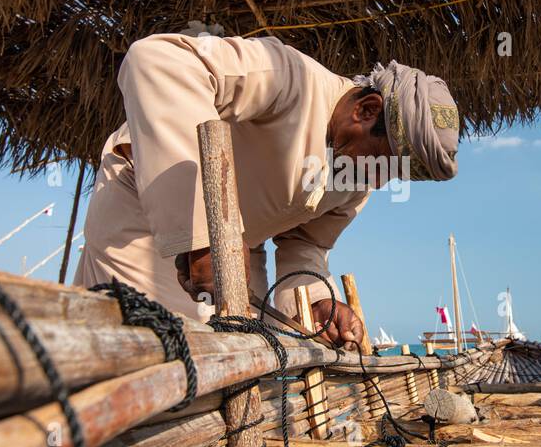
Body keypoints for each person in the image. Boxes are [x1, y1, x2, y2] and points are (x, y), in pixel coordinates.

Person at [74, 28, 460, 349]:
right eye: (383, 161)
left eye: (393, 174)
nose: (379, 181)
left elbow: (306, 244)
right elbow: (155, 61)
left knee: (239, 360)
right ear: (367, 110)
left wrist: (318, 303)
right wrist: (202, 235)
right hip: (142, 208)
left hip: (238, 253)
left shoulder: (360, 177)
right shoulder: (291, 78)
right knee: (158, 353)